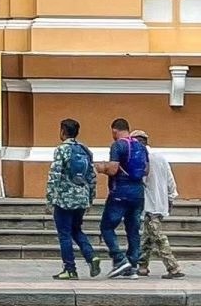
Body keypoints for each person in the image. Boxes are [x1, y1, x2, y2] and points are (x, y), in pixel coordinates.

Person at [45, 118, 100, 280]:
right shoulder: (84, 150)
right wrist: (90, 198)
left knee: (64, 234)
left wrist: (50, 199)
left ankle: (70, 268)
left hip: (64, 200)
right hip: (82, 198)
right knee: (76, 229)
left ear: (63, 131)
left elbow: (54, 176)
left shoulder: (62, 150)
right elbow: (92, 176)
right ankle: (91, 256)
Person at [95, 117, 149, 278]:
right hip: (138, 192)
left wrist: (101, 168)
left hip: (120, 192)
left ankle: (119, 259)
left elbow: (112, 170)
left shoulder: (118, 145)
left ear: (114, 130)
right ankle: (132, 266)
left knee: (106, 226)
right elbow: (146, 170)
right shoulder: (140, 146)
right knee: (133, 229)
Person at [133, 129, 184, 279]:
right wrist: (171, 197)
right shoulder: (160, 157)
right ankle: (142, 266)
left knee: (158, 236)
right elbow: (170, 179)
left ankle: (173, 267)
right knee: (148, 236)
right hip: (160, 203)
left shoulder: (140, 159)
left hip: (149, 204)